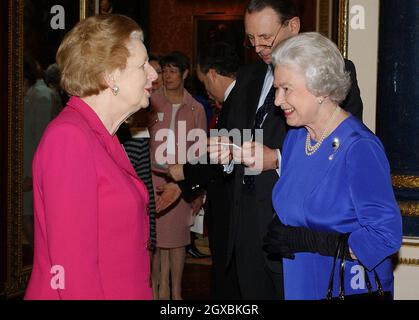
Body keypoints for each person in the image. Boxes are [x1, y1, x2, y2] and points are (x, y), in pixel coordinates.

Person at [208, 0, 363, 299]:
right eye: (250, 39)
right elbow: (231, 135)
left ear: (293, 25)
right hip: (245, 226)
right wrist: (226, 154)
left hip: (297, 230)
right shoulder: (248, 77)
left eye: (265, 38)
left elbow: (339, 150)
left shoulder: (334, 74)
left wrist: (276, 159)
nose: (258, 47)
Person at [25, 14, 158, 300]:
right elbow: (73, 272)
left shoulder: (102, 136)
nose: (154, 74)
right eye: (143, 64)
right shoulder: (69, 138)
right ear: (111, 75)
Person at [263, 32, 402, 300]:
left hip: (346, 287)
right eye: (276, 89)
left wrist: (314, 241)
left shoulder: (359, 148)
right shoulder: (296, 138)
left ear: (320, 89)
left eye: (286, 89)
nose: (278, 100)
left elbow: (385, 237)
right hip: (300, 282)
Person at [166, 42, 242, 299]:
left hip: (232, 211)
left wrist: (183, 172)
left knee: (227, 281)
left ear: (211, 74)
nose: (206, 91)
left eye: (203, 81)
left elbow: (218, 157)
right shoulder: (238, 99)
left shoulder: (237, 103)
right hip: (227, 209)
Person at [149, 51, 207, 300]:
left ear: (185, 74)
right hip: (154, 178)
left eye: (174, 70)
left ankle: (176, 292)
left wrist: (197, 189)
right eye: (165, 70)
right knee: (156, 239)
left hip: (183, 181)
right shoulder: (152, 102)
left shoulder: (195, 108)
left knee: (178, 239)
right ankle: (156, 289)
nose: (168, 75)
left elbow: (200, 152)